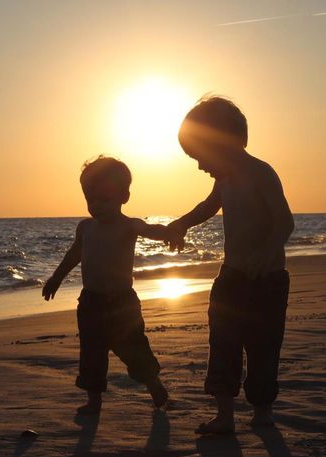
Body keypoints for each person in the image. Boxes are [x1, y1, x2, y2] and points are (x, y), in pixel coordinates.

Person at [169, 96, 294, 434]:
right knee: (222, 344)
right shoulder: (223, 180)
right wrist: (181, 223)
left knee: (264, 346)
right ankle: (224, 416)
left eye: (200, 156)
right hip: (232, 277)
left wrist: (268, 250)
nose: (199, 166)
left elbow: (284, 222)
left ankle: (262, 412)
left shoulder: (261, 173)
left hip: (266, 280)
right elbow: (208, 207)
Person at [42, 155, 181, 414]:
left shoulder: (128, 225)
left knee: (134, 348)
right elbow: (74, 254)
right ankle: (94, 402)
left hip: (122, 302)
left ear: (123, 197)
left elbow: (152, 230)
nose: (96, 205)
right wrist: (56, 277)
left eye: (103, 199)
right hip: (90, 301)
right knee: (92, 353)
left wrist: (171, 233)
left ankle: (154, 386)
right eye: (90, 199)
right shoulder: (85, 228)